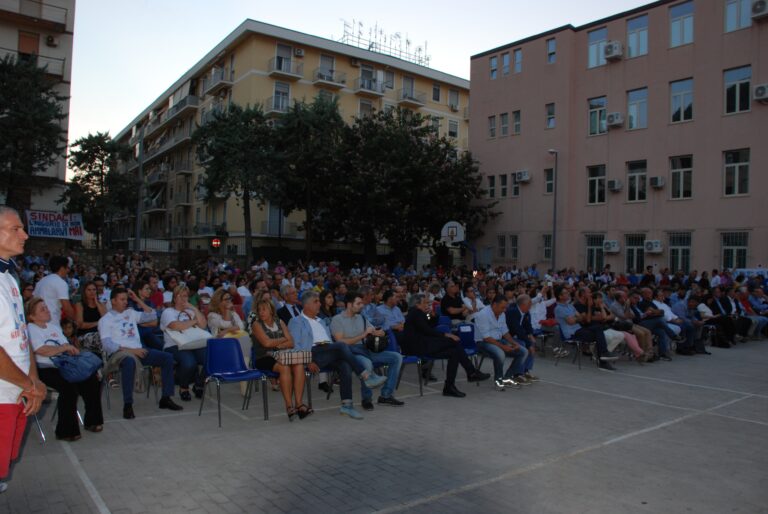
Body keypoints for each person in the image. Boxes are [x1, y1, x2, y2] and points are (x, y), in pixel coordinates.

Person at [0, 206, 45, 493]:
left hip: (17, 390)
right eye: (16, 228)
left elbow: (21, 333)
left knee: (5, 464)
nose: (25, 234)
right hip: (3, 392)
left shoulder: (9, 277)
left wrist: (34, 380)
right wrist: (28, 384)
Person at [288, 290, 387, 420]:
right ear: (306, 305)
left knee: (344, 365)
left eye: (319, 301)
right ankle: (366, 375)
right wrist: (308, 361)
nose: (319, 304)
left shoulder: (320, 321)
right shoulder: (296, 321)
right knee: (341, 345)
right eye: (316, 301)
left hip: (329, 351)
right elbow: (295, 345)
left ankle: (347, 405)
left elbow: (329, 341)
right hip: (314, 353)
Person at [26, 297, 103, 440]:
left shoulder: (53, 327)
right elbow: (40, 350)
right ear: (32, 316)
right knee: (68, 388)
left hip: (65, 364)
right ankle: (66, 431)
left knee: (92, 380)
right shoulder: (31, 329)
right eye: (42, 309)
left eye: (46, 307)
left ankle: (93, 421)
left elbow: (65, 346)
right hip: (44, 368)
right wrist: (64, 348)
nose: (47, 310)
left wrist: (69, 349)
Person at [98, 287, 182, 419]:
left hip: (139, 351)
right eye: (122, 299)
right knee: (129, 362)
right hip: (120, 355)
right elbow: (108, 346)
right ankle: (128, 405)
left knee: (167, 358)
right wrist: (132, 351)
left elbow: (152, 315)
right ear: (113, 301)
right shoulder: (105, 320)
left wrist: (137, 299)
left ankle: (166, 398)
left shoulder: (130, 313)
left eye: (126, 299)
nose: (125, 302)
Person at [402, 293, 490, 398]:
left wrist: (432, 315)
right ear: (417, 304)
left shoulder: (421, 313)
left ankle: (450, 386)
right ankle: (471, 373)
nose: (428, 305)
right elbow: (426, 330)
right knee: (454, 342)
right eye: (425, 303)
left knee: (454, 353)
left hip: (425, 343)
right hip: (418, 346)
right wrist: (445, 334)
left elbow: (431, 324)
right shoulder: (415, 313)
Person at [331, 291, 404, 410]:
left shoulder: (362, 318)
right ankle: (367, 398)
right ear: (349, 305)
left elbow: (374, 330)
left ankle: (386, 395)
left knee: (396, 357)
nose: (362, 306)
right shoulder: (337, 319)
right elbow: (340, 342)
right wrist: (363, 335)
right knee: (367, 363)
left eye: (362, 303)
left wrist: (380, 332)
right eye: (358, 303)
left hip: (365, 350)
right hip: (350, 353)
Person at [250, 298, 308, 420]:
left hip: (282, 355)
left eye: (264, 309)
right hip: (264, 357)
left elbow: (291, 342)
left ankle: (299, 404)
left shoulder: (280, 322)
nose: (261, 312)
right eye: (259, 310)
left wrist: (277, 343)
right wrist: (283, 340)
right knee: (284, 367)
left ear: (271, 310)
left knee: (299, 365)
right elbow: (266, 343)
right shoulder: (256, 324)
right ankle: (289, 406)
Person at [160, 285, 208, 401]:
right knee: (189, 362)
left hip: (193, 343)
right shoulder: (168, 312)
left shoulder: (190, 312)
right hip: (174, 345)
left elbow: (203, 325)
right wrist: (194, 322)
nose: (183, 299)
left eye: (185, 296)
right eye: (179, 296)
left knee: (211, 357)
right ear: (174, 298)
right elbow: (175, 326)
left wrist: (194, 309)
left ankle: (199, 384)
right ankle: (184, 387)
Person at [553, 286, 616, 371]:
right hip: (572, 334)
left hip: (579, 330)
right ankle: (603, 358)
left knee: (598, 330)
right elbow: (571, 321)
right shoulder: (558, 308)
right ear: (560, 296)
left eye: (567, 292)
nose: (568, 293)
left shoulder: (570, 306)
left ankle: (603, 358)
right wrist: (578, 318)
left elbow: (581, 318)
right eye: (565, 293)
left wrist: (578, 318)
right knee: (598, 334)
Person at [474, 296, 529, 390]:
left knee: (523, 351)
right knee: (500, 354)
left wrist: (513, 343)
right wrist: (503, 347)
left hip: (497, 340)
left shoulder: (501, 314)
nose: (504, 310)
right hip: (483, 342)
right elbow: (487, 338)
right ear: (494, 305)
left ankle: (507, 378)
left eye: (505, 307)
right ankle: (498, 382)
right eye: (502, 307)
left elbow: (505, 332)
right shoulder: (483, 314)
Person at [504, 294, 540, 382]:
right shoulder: (512, 312)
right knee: (524, 345)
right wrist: (529, 344)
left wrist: (531, 335)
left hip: (515, 336)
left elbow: (527, 325)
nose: (530, 307)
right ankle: (518, 374)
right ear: (523, 305)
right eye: (529, 305)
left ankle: (525, 370)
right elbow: (518, 330)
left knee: (530, 343)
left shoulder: (525, 311)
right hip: (506, 337)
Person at [32, 255, 75, 326]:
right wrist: (76, 321)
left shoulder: (41, 281)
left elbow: (33, 300)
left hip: (37, 323)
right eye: (67, 268)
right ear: (62, 268)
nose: (68, 270)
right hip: (52, 323)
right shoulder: (61, 283)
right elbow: (67, 308)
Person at [75, 281, 107, 355]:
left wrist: (97, 303)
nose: (92, 292)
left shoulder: (101, 304)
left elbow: (106, 320)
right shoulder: (80, 305)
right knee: (102, 339)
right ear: (84, 292)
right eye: (89, 290)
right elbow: (80, 325)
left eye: (94, 290)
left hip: (99, 333)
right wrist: (98, 323)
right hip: (84, 335)